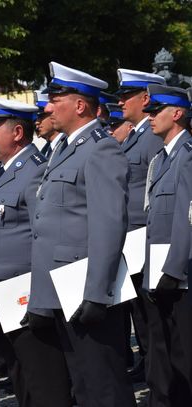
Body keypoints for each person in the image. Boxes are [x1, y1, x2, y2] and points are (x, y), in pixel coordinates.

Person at [27, 62, 136, 407]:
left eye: (55, 99)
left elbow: (107, 225)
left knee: (105, 387)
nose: (47, 107)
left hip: (84, 290)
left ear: (79, 105)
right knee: (85, 385)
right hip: (62, 286)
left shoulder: (99, 148)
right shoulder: (65, 148)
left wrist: (96, 293)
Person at [0, 93, 72, 407]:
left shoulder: (33, 171)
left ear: (17, 133)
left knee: (44, 383)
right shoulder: (2, 170)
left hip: (24, 296)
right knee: (21, 377)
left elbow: (43, 235)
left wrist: (39, 297)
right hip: (4, 297)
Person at [142, 84, 192, 407]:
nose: (149, 118)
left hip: (180, 278)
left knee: (185, 360)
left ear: (176, 114)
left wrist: (172, 271)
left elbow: (188, 217)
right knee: (166, 360)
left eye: (155, 111)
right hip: (160, 277)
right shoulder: (161, 159)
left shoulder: (187, 157)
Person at [116, 68, 166, 381]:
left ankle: (159, 376)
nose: (120, 102)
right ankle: (149, 367)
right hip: (132, 241)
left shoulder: (150, 138)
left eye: (126, 96)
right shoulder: (136, 135)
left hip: (146, 239)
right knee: (142, 316)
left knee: (152, 318)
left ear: (145, 98)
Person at [34, 90, 64, 158]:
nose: (37, 122)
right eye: (36, 118)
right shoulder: (48, 147)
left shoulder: (66, 145)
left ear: (53, 114)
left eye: (41, 116)